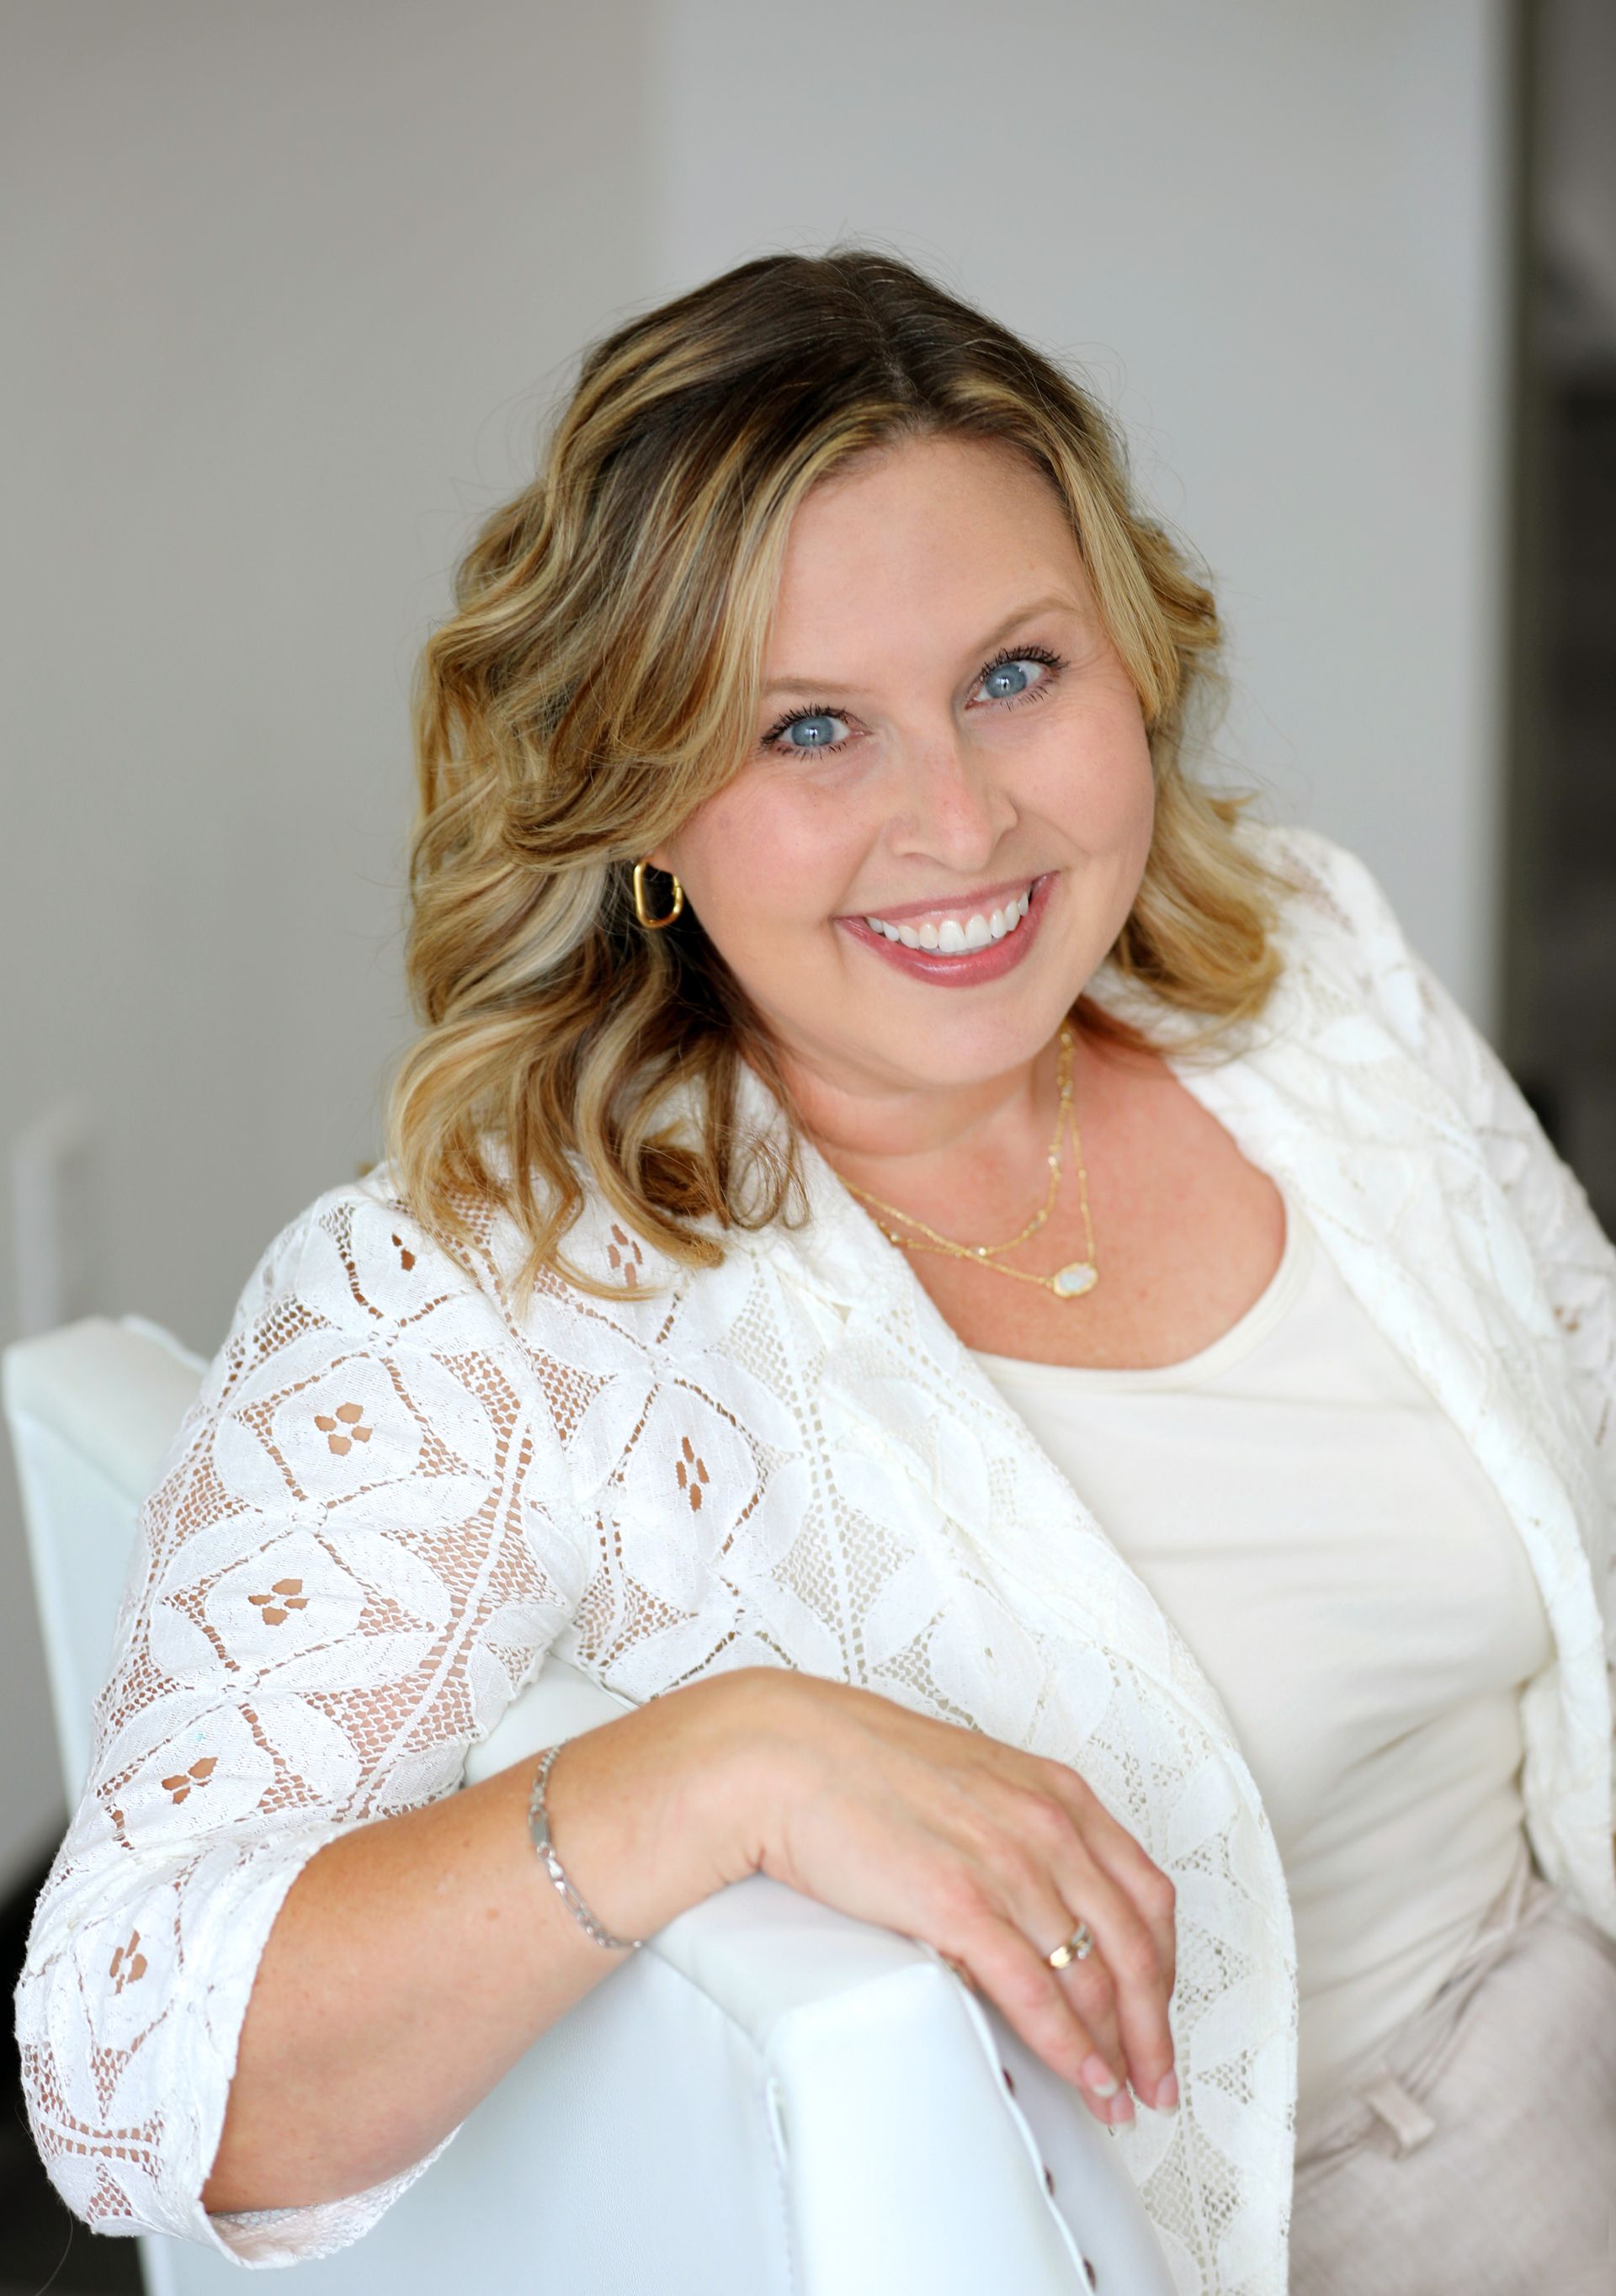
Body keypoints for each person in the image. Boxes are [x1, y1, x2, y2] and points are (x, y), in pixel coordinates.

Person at [15, 250, 1615, 2296]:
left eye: (1016, 673)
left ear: (1136, 662)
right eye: (808, 728)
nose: (954, 817)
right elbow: (125, 2069)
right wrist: (723, 1760)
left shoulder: (1302, 971)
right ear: (645, 803)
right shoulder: (487, 1297)